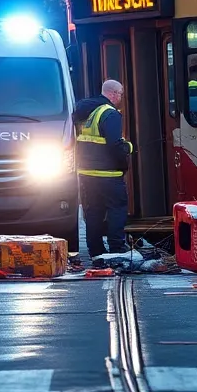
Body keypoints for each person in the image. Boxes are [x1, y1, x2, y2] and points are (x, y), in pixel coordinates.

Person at [72, 79, 134, 260]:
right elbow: (115, 144)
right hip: (108, 174)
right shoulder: (110, 114)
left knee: (94, 213)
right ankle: (116, 247)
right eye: (120, 94)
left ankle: (96, 251)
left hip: (87, 174)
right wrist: (128, 148)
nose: (120, 98)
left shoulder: (89, 114)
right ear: (113, 94)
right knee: (117, 209)